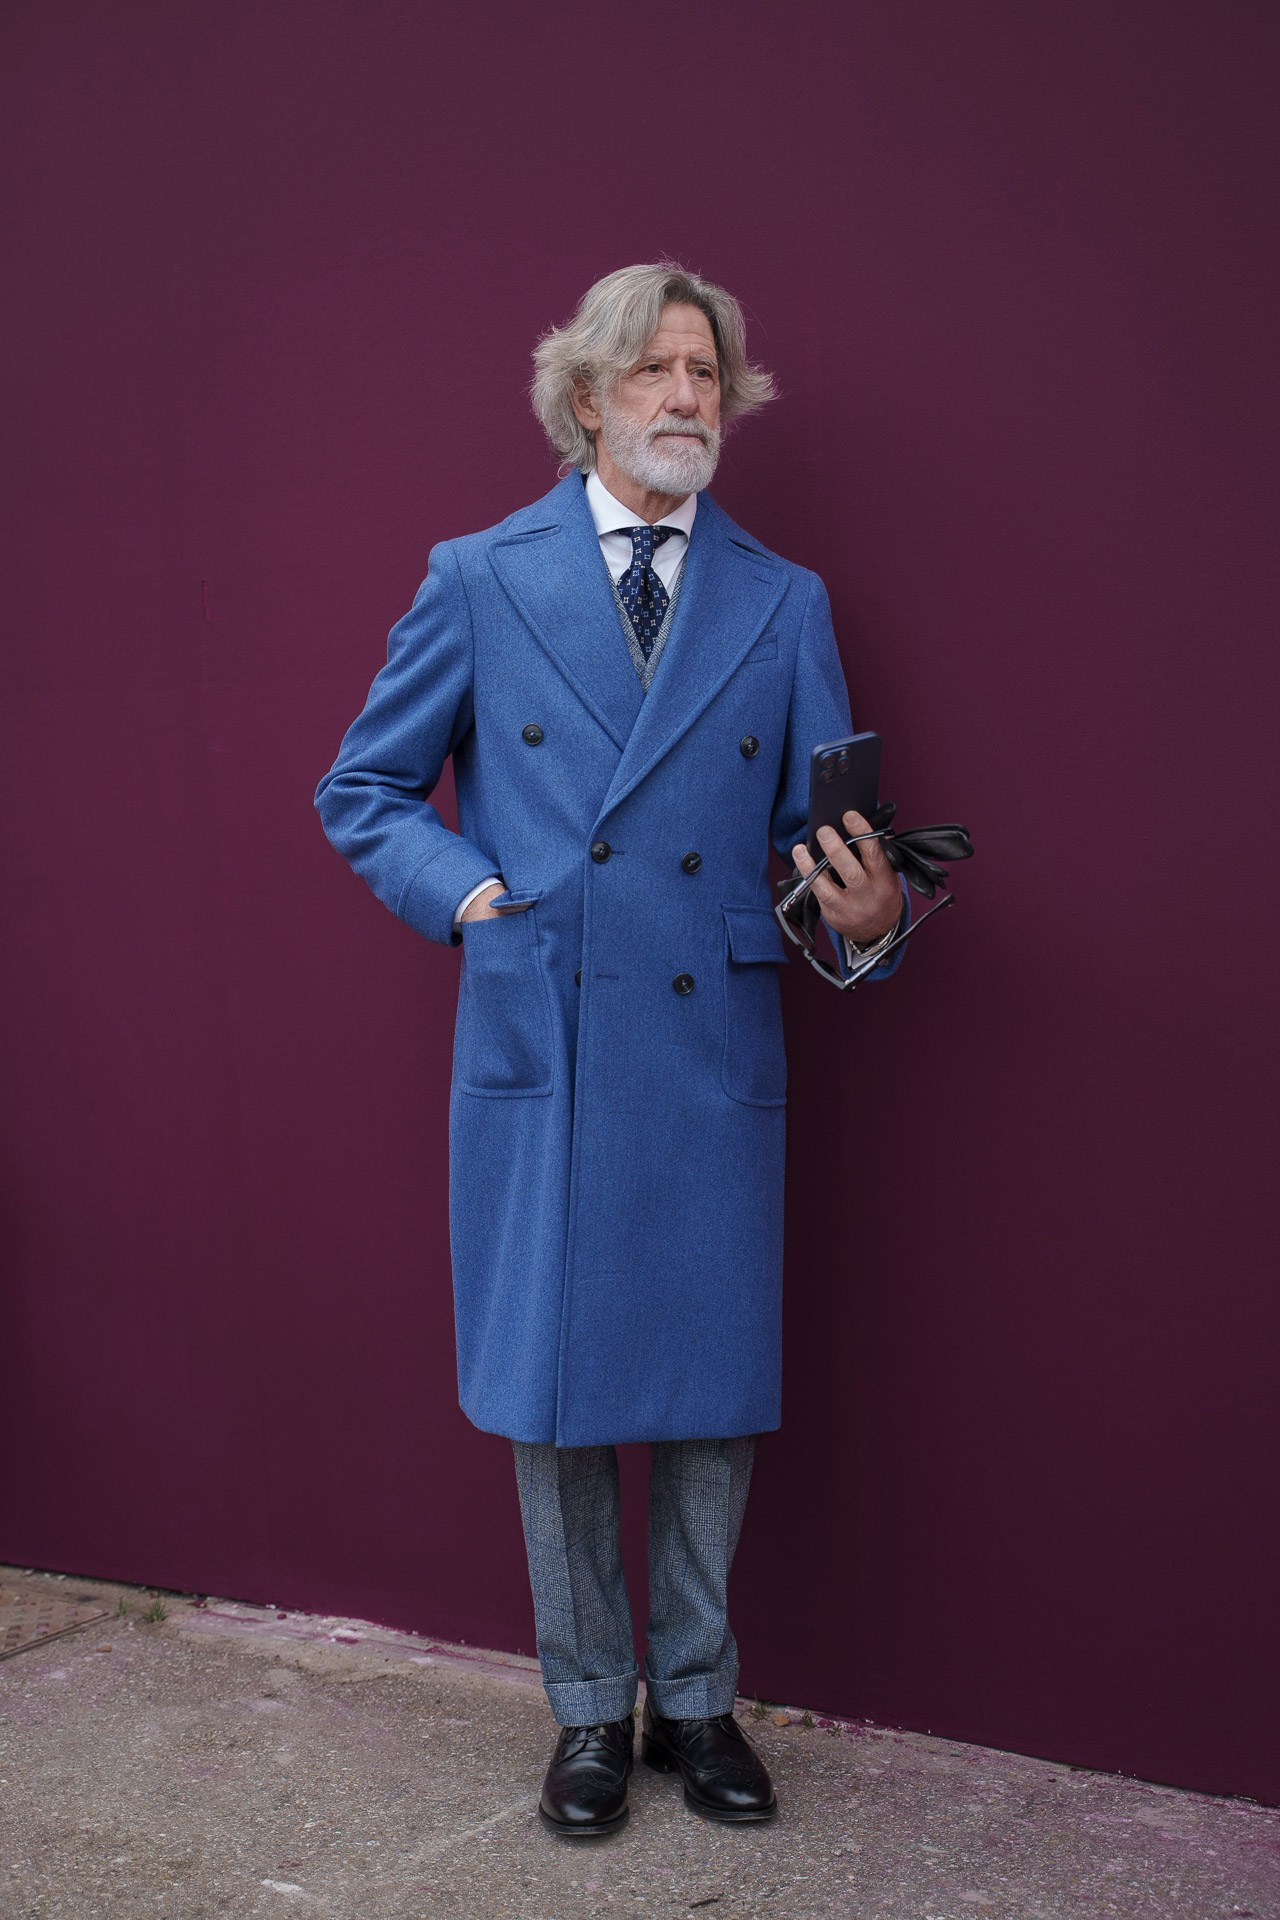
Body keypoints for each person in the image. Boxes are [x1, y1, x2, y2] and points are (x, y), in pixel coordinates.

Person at [314, 263, 907, 1837]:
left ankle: (697, 1703)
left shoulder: (785, 601)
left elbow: (810, 843)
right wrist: (474, 896)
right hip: (552, 1026)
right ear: (586, 398)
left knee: (710, 1387)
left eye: (707, 371)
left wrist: (864, 905)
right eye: (653, 370)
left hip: (710, 1046)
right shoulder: (480, 575)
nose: (686, 397)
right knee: (559, 1392)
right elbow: (364, 791)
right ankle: (587, 1709)